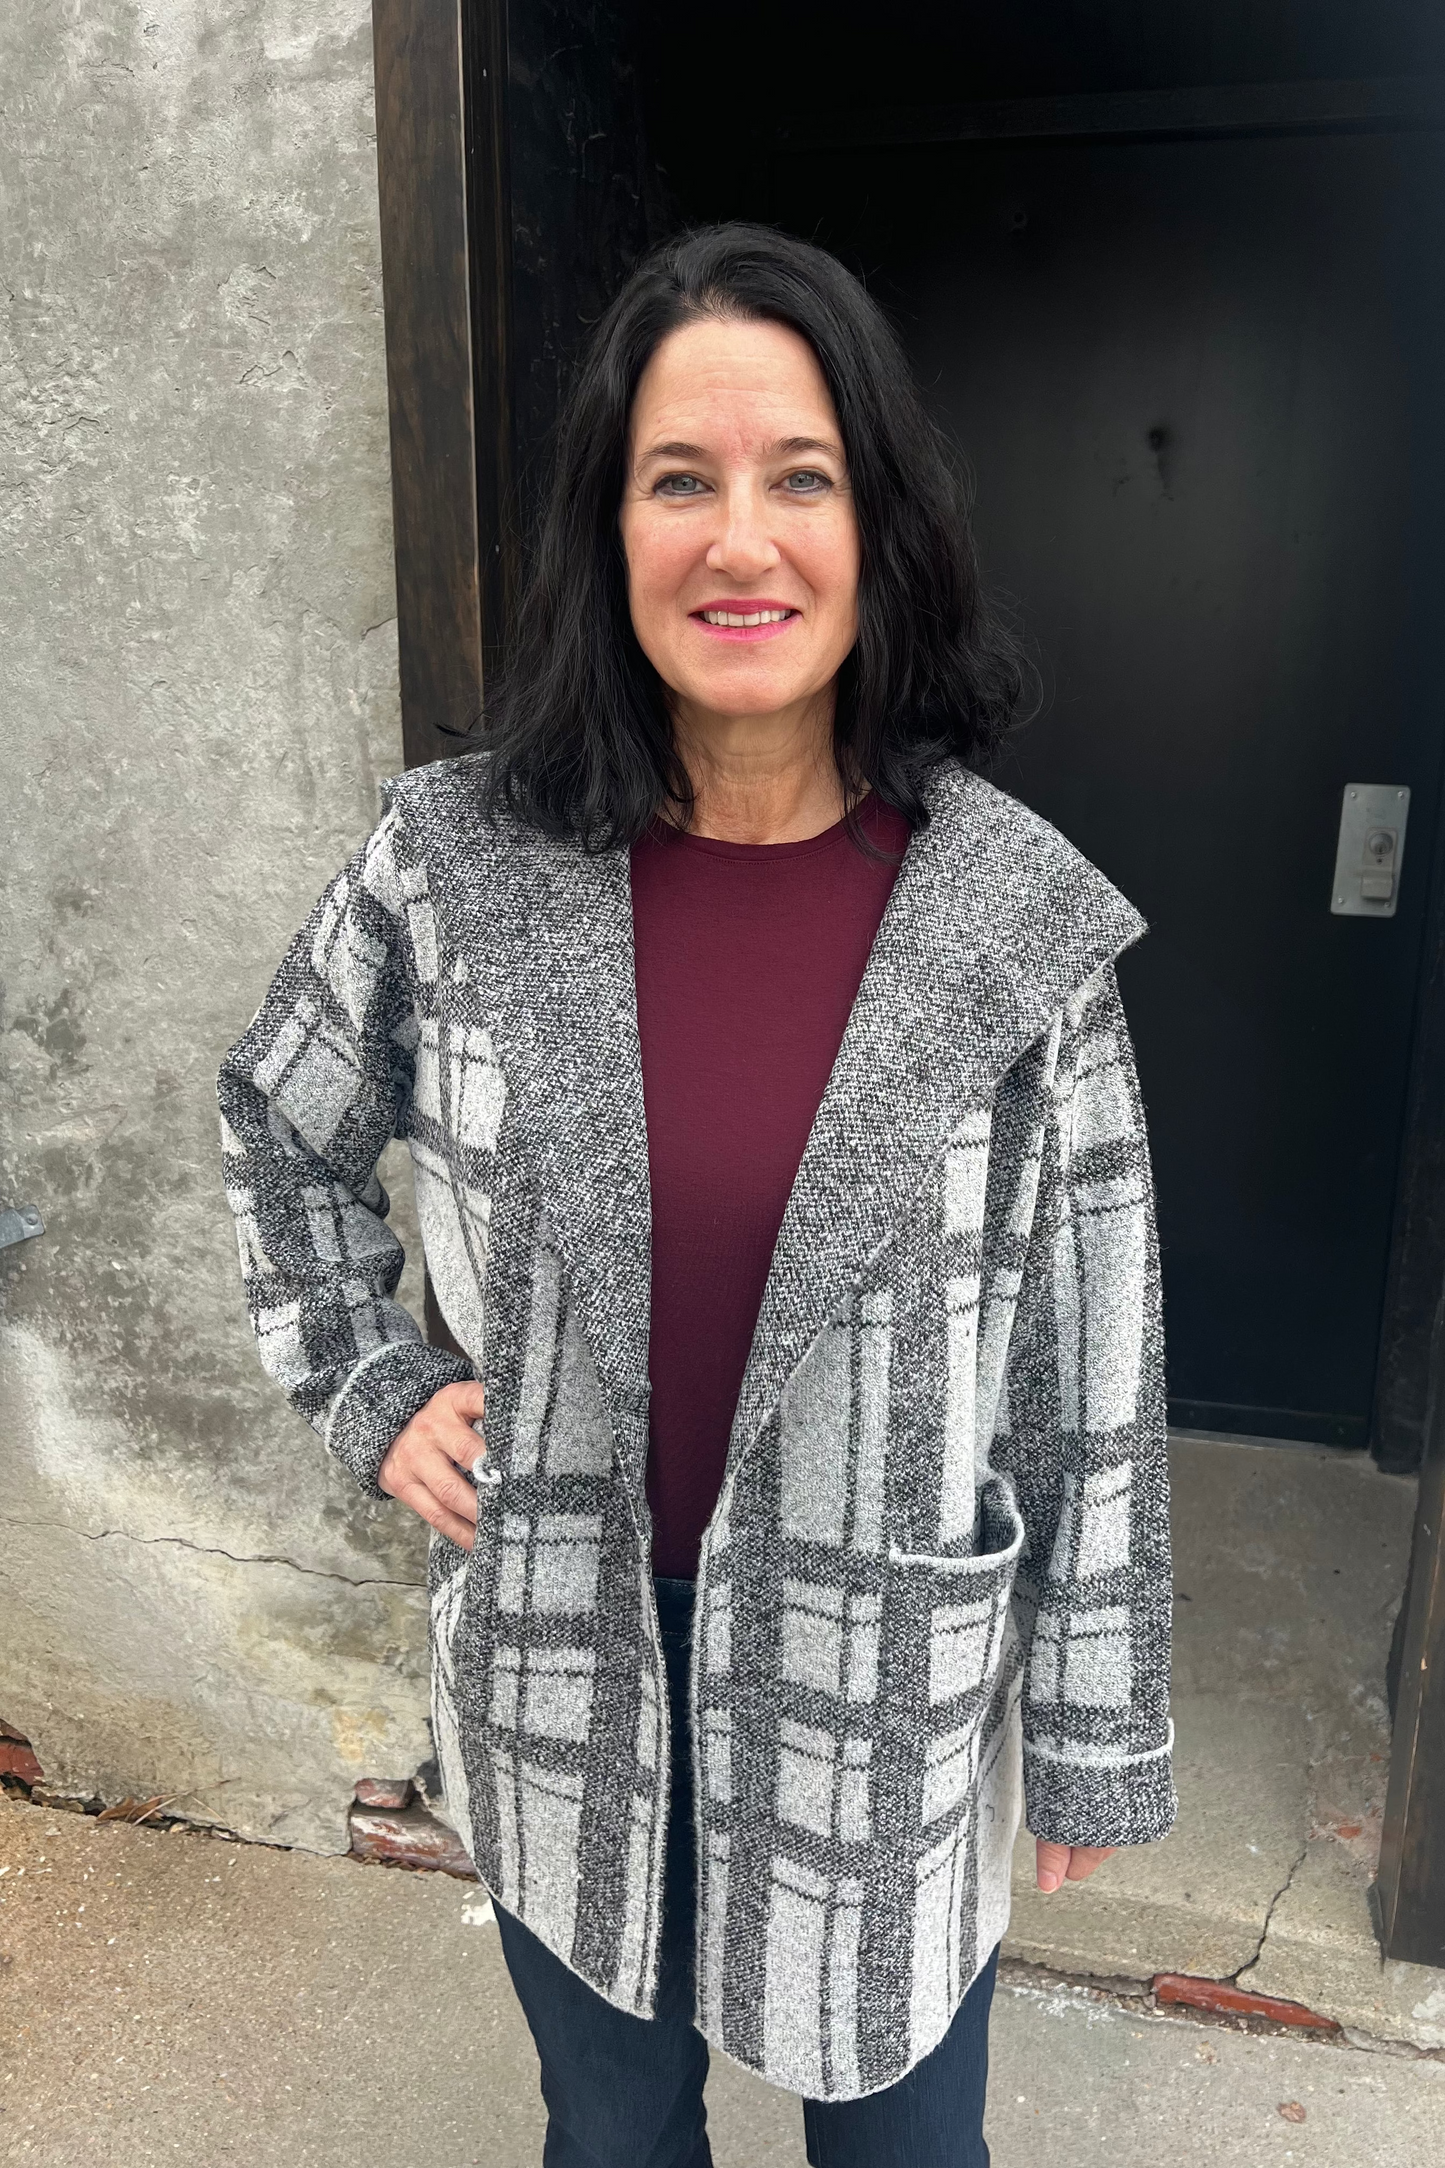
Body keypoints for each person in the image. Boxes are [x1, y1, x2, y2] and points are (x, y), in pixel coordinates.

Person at [218, 222, 1175, 2167]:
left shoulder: (1011, 933)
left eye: (797, 478)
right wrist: (374, 1382)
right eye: (681, 481)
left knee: (906, 2149)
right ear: (612, 531)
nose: (739, 540)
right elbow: (278, 1118)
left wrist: (1088, 1714)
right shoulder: (450, 871)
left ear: (875, 526)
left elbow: (1093, 1360)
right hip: (567, 1654)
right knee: (614, 2135)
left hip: (881, 1688)